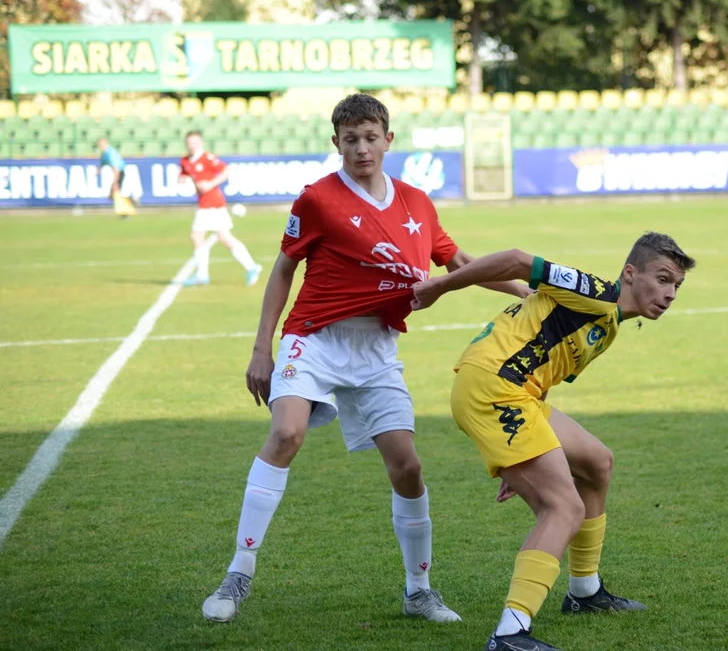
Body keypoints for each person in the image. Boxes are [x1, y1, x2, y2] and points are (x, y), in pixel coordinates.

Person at [200, 93, 531, 625]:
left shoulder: (417, 203)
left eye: (370, 137)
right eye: (350, 139)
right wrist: (262, 348)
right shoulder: (317, 200)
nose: (361, 148)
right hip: (314, 337)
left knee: (409, 466)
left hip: (376, 348)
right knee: (287, 434)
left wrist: (528, 293)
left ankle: (418, 591)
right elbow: (283, 270)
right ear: (336, 143)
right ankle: (238, 575)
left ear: (388, 140)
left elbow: (463, 263)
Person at [410, 233, 696, 651]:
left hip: (519, 393)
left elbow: (545, 368)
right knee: (563, 507)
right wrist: (440, 285)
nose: (669, 294)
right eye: (663, 279)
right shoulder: (597, 293)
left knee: (597, 461)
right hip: (493, 387)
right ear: (631, 273)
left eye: (677, 286)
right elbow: (513, 260)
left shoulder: (608, 325)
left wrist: (526, 449)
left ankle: (584, 592)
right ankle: (509, 634)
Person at [178, 131, 262, 287]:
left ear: (201, 143)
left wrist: (210, 184)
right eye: (189, 143)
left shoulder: (208, 158)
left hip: (213, 203)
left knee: (199, 236)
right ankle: (251, 267)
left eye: (195, 142)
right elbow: (183, 175)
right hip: (203, 203)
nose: (192, 145)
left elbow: (226, 171)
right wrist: (183, 181)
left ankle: (204, 275)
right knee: (220, 236)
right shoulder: (185, 161)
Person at [96, 137, 136, 217]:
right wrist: (98, 171)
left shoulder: (110, 153)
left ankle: (129, 205)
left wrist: (115, 182)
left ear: (106, 144)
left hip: (119, 173)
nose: (101, 146)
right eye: (100, 145)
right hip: (118, 173)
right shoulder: (105, 153)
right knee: (113, 195)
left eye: (102, 144)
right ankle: (129, 204)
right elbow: (103, 162)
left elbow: (116, 168)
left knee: (114, 193)